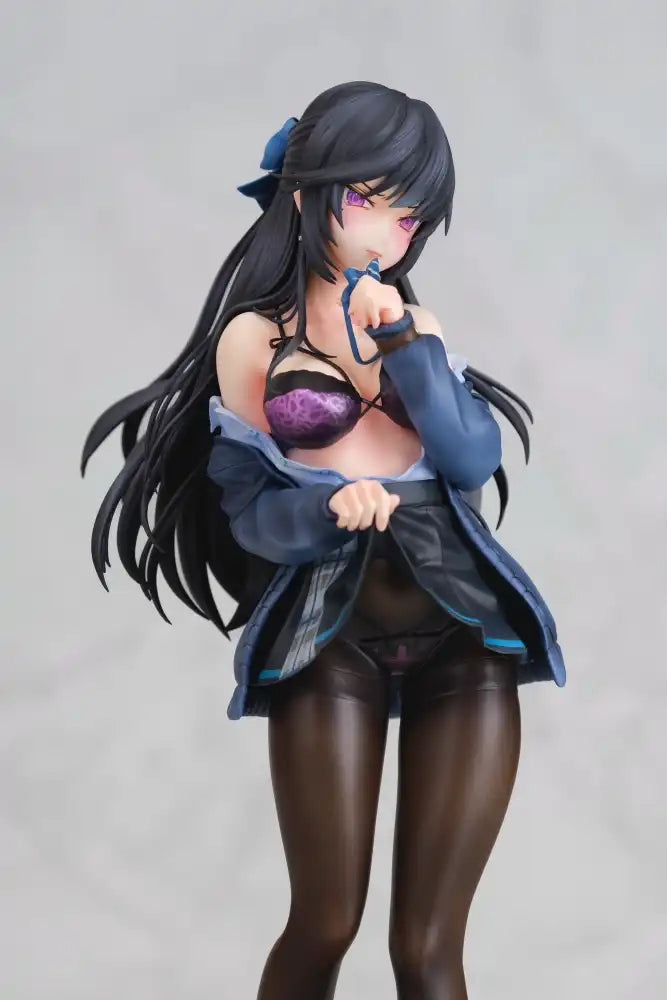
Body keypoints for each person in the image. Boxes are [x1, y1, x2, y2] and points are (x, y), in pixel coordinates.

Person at [82, 81, 565, 1000]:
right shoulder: (254, 338)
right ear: (307, 192)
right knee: (325, 921)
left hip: (464, 641)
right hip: (326, 642)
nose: (390, 234)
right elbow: (248, 512)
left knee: (428, 948)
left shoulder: (416, 327)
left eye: (410, 219)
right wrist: (323, 512)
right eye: (369, 201)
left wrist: (409, 346)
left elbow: (468, 457)